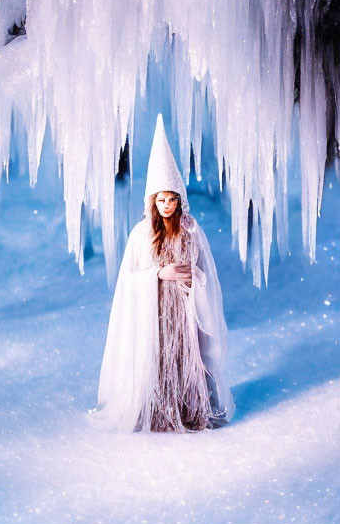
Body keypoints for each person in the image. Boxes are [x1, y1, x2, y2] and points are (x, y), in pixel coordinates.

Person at [94, 114, 235, 432]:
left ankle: (190, 410)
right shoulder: (141, 234)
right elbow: (129, 279)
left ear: (179, 201)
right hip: (154, 309)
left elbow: (204, 269)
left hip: (185, 309)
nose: (167, 204)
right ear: (153, 202)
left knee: (187, 354)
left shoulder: (191, 230)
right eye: (162, 199)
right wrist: (160, 273)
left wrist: (193, 278)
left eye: (172, 199)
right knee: (158, 353)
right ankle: (155, 411)